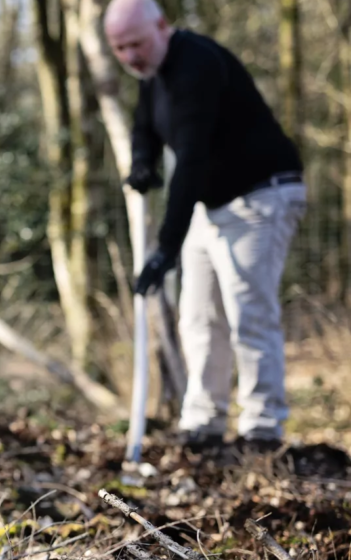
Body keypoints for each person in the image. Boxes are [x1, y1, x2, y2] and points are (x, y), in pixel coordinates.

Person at [105, 0, 306, 449]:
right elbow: (144, 127)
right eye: (119, 49)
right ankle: (204, 423)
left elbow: (191, 162)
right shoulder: (152, 72)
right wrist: (141, 164)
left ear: (161, 26)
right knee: (198, 315)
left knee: (248, 313)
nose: (129, 56)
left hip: (261, 194)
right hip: (211, 204)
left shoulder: (195, 65)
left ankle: (261, 429)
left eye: (135, 43)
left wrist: (165, 249)